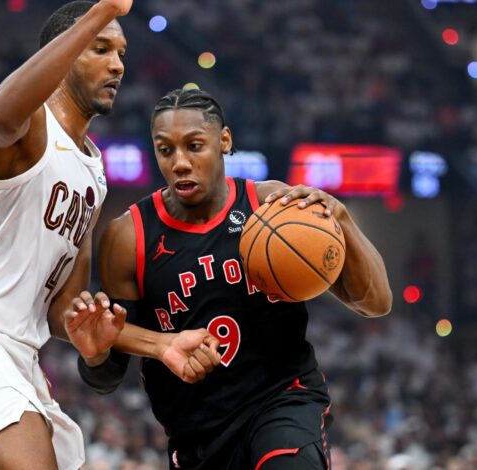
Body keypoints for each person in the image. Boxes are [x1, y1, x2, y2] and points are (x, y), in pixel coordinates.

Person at [0, 3, 217, 469]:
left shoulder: (93, 172)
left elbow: (62, 308)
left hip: (18, 354)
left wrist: (157, 343)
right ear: (62, 53)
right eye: (101, 48)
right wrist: (100, 10)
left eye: (122, 53)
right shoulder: (28, 128)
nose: (117, 65)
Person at [80, 88, 393, 469]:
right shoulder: (128, 237)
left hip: (282, 400)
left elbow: (375, 302)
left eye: (195, 146)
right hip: (197, 431)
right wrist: (95, 355)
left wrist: (341, 218)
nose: (180, 162)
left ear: (224, 141)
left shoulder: (274, 207)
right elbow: (107, 375)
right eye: (166, 150)